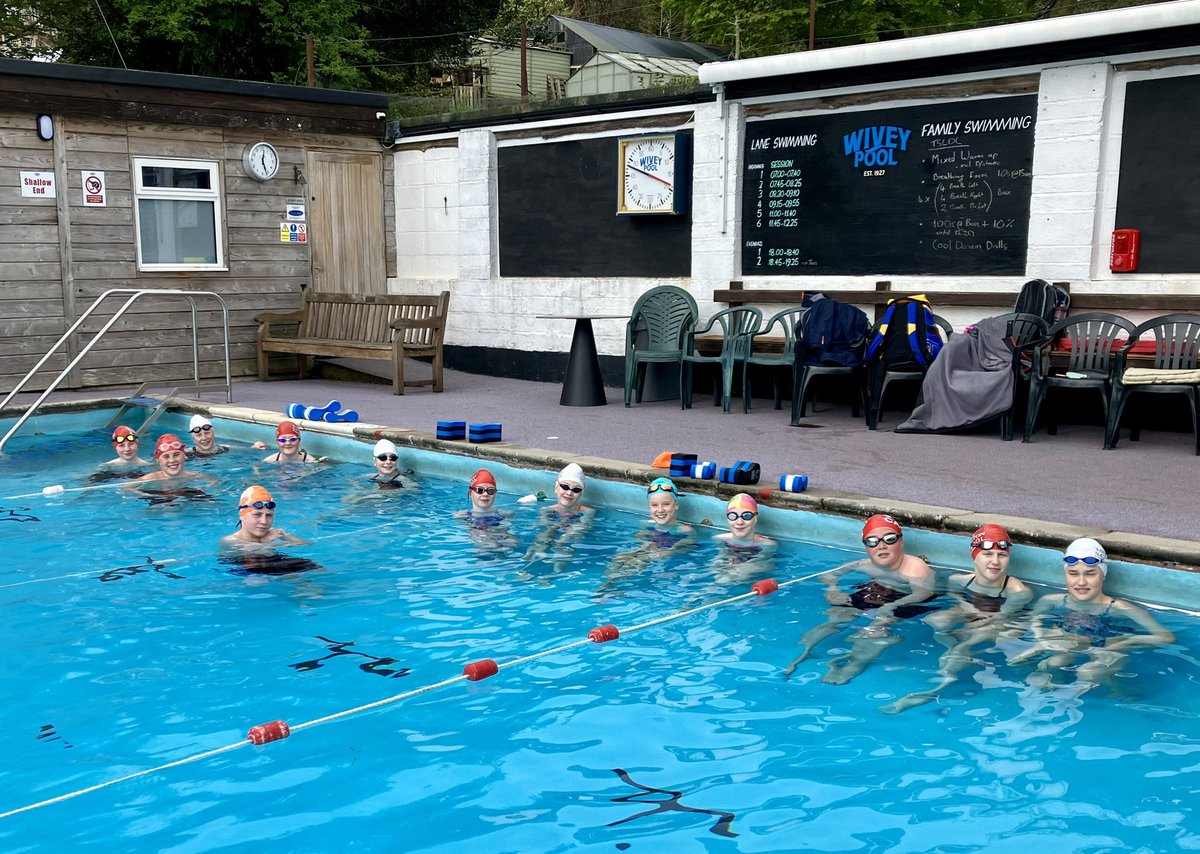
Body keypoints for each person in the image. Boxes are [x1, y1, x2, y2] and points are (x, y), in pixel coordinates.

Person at [880, 523, 1033, 713]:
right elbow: (957, 597)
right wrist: (967, 610)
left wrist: (967, 627)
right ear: (974, 556)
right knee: (935, 620)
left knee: (969, 640)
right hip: (973, 613)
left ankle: (941, 683)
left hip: (1003, 624)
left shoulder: (1016, 590)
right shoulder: (959, 580)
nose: (995, 561)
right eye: (987, 554)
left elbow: (1003, 616)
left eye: (1002, 555)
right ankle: (953, 651)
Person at [784, 513, 937, 685]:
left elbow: (922, 594)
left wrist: (893, 606)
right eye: (872, 541)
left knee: (878, 626)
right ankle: (803, 653)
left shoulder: (915, 567)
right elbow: (829, 575)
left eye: (889, 539)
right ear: (866, 547)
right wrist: (832, 589)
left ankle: (854, 664)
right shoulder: (865, 565)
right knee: (837, 613)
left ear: (901, 542)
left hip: (905, 598)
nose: (881, 546)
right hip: (876, 592)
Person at [1011, 537, 1174, 691]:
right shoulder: (1051, 601)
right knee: (1053, 663)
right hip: (1074, 644)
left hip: (1109, 649)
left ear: (1103, 574)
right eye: (1073, 573)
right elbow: (1035, 618)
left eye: (1090, 573)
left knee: (1088, 672)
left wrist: (1124, 643)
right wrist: (1040, 640)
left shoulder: (1120, 608)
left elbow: (1166, 637)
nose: (1081, 582)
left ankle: (1116, 692)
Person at [602, 477, 696, 589]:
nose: (660, 510)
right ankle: (607, 584)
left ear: (675, 505)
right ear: (649, 508)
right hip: (650, 550)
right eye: (655, 505)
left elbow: (686, 547)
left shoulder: (684, 530)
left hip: (666, 555)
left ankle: (613, 587)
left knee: (639, 560)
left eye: (666, 504)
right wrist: (644, 544)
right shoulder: (648, 524)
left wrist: (658, 552)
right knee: (619, 557)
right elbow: (641, 536)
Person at [219, 485, 317, 575]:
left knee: (316, 568)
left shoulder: (273, 533)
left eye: (269, 515)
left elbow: (308, 544)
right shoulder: (230, 540)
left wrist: (287, 536)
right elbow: (253, 552)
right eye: (257, 514)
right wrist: (265, 542)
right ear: (242, 515)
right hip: (243, 570)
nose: (264, 521)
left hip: (270, 563)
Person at [523, 463, 595, 574]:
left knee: (565, 545)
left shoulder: (588, 511)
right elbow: (543, 527)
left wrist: (563, 538)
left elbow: (581, 527)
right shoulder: (546, 510)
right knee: (542, 539)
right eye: (565, 487)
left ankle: (553, 574)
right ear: (556, 488)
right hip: (555, 524)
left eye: (576, 490)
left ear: (581, 493)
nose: (569, 492)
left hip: (570, 535)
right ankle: (527, 566)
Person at [127, 433, 218, 502]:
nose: (172, 460)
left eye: (176, 455)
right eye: (166, 456)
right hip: (158, 496)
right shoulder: (151, 478)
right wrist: (147, 495)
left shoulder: (193, 475)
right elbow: (127, 488)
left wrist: (204, 487)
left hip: (185, 494)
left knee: (211, 502)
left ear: (185, 456)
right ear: (158, 460)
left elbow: (215, 481)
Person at [710, 493, 776, 583]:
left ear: (755, 518)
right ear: (727, 518)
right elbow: (720, 557)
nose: (740, 522)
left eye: (747, 516)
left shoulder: (767, 545)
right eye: (733, 516)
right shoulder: (720, 539)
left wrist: (734, 573)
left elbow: (760, 562)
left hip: (750, 577)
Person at [454, 468, 517, 555]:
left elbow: (513, 540)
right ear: (470, 492)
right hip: (481, 550)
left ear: (495, 494)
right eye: (480, 490)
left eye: (490, 491)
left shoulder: (505, 515)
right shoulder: (461, 516)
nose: (485, 494)